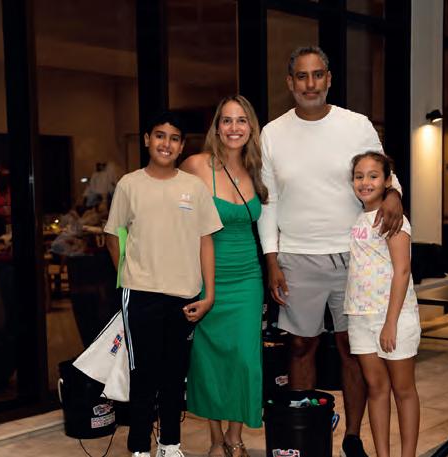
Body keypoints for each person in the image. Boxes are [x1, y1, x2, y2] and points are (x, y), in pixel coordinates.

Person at [258, 45, 404, 457]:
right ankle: (304, 436)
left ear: (329, 79)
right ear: (290, 82)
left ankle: (352, 437)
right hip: (296, 257)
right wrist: (272, 260)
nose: (311, 84)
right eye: (302, 76)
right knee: (301, 346)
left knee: (352, 348)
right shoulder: (272, 133)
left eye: (318, 74)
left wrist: (394, 195)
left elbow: (385, 175)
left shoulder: (356, 125)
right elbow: (269, 202)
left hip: (354, 255)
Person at [104, 111, 223, 457]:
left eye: (174, 138)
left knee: (174, 376)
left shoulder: (194, 188)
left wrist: (209, 294)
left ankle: (170, 444)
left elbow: (206, 240)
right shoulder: (129, 185)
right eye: (159, 136)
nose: (166, 144)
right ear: (146, 140)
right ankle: (140, 447)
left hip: (185, 297)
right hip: (141, 295)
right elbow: (113, 236)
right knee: (143, 375)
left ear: (182, 146)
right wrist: (130, 273)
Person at [180, 95, 267, 457]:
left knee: (244, 359)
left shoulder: (257, 169)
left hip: (247, 277)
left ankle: (235, 435)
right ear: (217, 127)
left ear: (251, 128)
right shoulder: (195, 165)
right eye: (227, 120)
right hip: (207, 276)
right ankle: (216, 439)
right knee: (210, 359)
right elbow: (173, 214)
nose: (234, 127)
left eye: (241, 120)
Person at [345, 152, 420, 457]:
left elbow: (402, 271)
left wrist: (390, 323)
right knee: (376, 389)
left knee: (403, 390)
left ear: (388, 181)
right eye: (359, 176)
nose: (365, 182)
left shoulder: (393, 218)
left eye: (373, 176)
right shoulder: (359, 218)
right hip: (359, 316)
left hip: (392, 317)